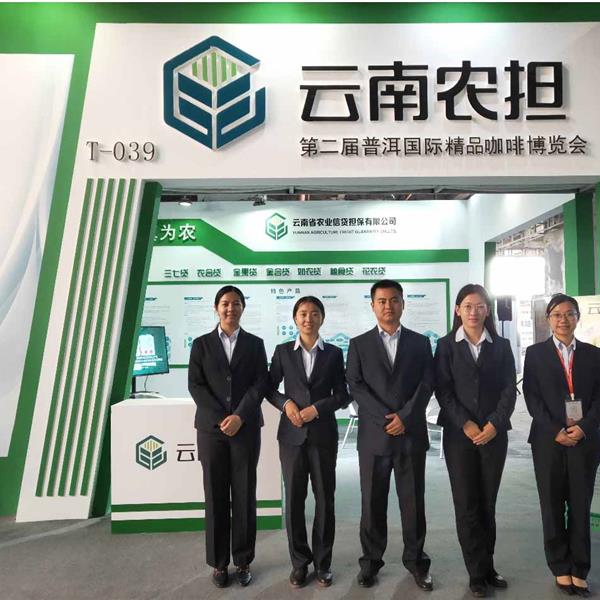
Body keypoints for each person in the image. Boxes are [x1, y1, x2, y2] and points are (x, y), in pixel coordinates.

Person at [346, 279, 434, 590]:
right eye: (382, 301)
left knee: (413, 504)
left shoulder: (420, 343)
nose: (388, 306)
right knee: (372, 504)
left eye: (394, 300)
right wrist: (386, 418)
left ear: (403, 304)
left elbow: (427, 383)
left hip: (410, 435)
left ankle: (417, 563)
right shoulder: (359, 344)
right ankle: (370, 563)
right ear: (372, 305)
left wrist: (405, 417)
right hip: (374, 437)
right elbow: (355, 385)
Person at [434, 283, 516, 598]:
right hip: (460, 437)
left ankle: (488, 564)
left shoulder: (501, 346)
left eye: (480, 306)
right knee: (467, 503)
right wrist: (465, 423)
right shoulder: (446, 346)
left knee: (487, 503)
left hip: (494, 436)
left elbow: (509, 389)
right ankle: (476, 572)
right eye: (467, 306)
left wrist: (495, 424)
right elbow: (443, 390)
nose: (473, 312)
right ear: (458, 310)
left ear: (487, 310)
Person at [188, 285, 268, 588]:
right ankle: (219, 564)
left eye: (236, 303)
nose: (230, 308)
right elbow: (196, 385)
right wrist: (222, 418)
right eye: (225, 303)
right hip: (212, 431)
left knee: (245, 494)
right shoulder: (201, 345)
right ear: (216, 308)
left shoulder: (255, 344)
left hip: (245, 429)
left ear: (243, 307)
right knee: (215, 495)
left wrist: (240, 416)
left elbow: (260, 383)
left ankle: (244, 560)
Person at [267, 296, 349, 588]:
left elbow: (343, 395)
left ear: (322, 318)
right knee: (294, 500)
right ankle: (300, 563)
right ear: (295, 318)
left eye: (314, 313)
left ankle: (323, 563)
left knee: (325, 499)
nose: (308, 319)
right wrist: (286, 403)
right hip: (291, 436)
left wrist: (318, 408)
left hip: (323, 435)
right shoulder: (282, 352)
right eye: (303, 313)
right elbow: (268, 387)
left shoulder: (334, 353)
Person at [523, 293, 600, 598]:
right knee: (552, 505)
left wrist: (583, 427)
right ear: (548, 319)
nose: (563, 320)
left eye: (569, 314)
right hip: (548, 441)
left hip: (584, 441)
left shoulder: (594, 355)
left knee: (580, 505)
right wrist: (555, 430)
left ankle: (580, 569)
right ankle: (559, 567)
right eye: (557, 314)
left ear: (577, 317)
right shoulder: (535, 354)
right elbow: (532, 397)